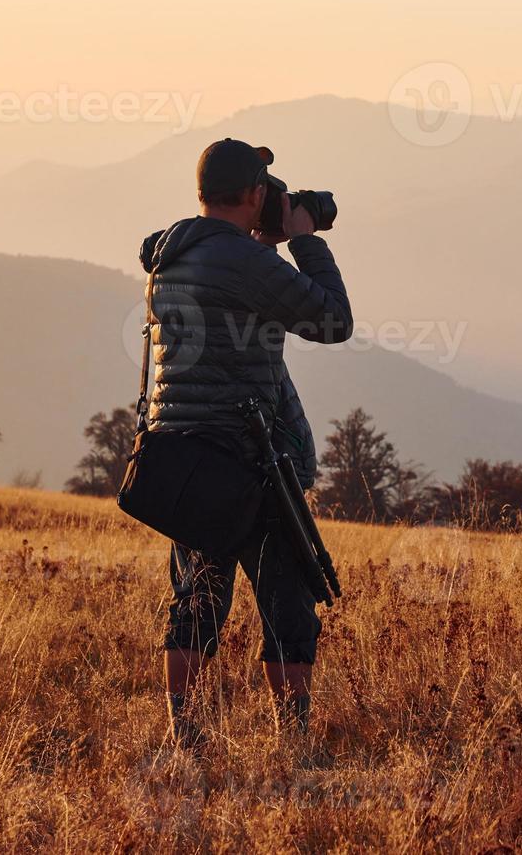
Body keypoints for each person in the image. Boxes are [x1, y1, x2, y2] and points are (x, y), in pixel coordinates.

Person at [137, 138, 354, 747]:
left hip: (182, 454)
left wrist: (259, 247)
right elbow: (333, 321)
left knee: (196, 597)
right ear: (258, 195)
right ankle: (294, 739)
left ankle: (185, 733)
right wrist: (306, 237)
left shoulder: (170, 254)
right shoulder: (247, 264)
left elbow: (227, 292)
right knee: (288, 600)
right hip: (252, 455)